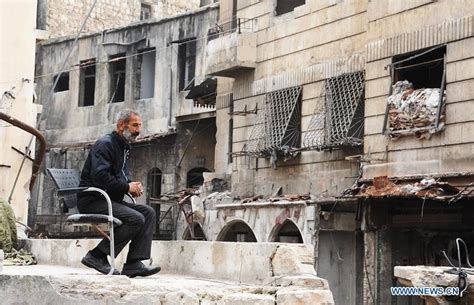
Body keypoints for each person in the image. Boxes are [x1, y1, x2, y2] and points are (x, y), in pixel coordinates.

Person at [77, 109, 160, 277]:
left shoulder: (123, 147)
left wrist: (130, 184)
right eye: (135, 125)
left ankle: (133, 264)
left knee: (148, 212)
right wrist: (126, 188)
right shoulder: (105, 144)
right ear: (122, 125)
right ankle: (96, 256)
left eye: (140, 126)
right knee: (136, 218)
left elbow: (117, 176)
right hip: (93, 200)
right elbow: (100, 176)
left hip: (109, 199)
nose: (138, 130)